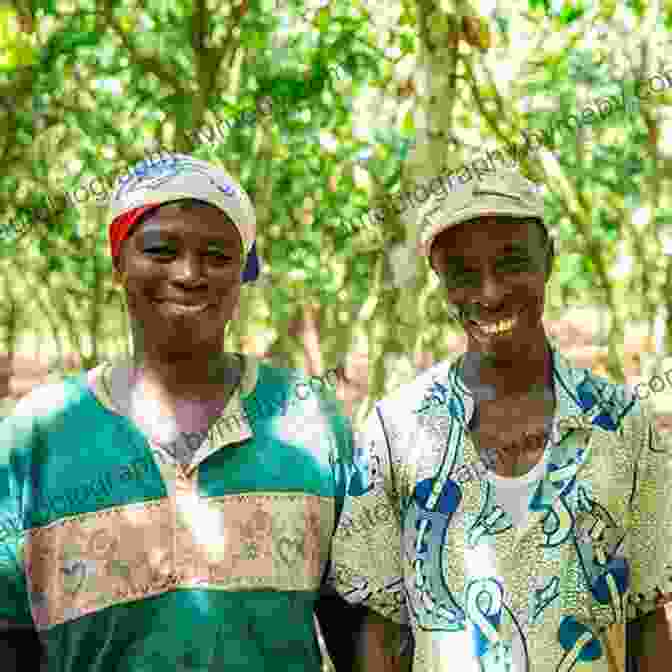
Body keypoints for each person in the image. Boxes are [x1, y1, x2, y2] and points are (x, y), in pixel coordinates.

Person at [0, 154, 355, 671]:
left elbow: (352, 620)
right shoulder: (40, 435)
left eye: (216, 255)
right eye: (161, 250)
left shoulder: (310, 422)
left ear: (243, 271)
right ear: (119, 264)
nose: (188, 273)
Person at [329, 167, 672, 671]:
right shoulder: (396, 430)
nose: (488, 293)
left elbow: (646, 618)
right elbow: (383, 630)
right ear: (439, 280)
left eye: (512, 262)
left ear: (549, 260)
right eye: (463, 273)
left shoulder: (622, 424)